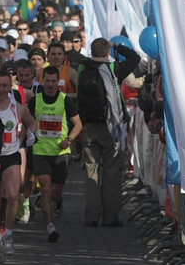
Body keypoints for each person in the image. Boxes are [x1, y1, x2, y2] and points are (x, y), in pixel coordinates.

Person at [76, 38, 140, 227]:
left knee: (91, 170)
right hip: (110, 126)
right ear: (107, 53)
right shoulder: (113, 69)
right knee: (112, 172)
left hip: (88, 125)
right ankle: (110, 217)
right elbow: (135, 58)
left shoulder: (82, 68)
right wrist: (117, 46)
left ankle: (92, 216)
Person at [0, 70, 36, 263]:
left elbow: (32, 123)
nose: (1, 89)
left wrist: (31, 134)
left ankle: (9, 235)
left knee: (13, 195)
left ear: (10, 86)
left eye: (5, 85)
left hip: (11, 155)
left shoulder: (18, 108)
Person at [28, 66, 82, 241]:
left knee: (55, 192)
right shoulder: (35, 101)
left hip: (60, 152)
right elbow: (26, 122)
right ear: (42, 81)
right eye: (47, 81)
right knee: (46, 187)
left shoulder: (65, 100)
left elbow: (78, 125)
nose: (50, 85)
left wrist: (70, 140)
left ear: (58, 82)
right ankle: (50, 227)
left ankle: (56, 201)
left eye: (53, 81)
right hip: (40, 151)